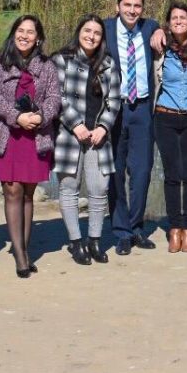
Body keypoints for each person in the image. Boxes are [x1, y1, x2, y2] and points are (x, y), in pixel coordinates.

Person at [0, 15, 59, 278]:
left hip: (35, 135)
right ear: (14, 33)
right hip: (7, 134)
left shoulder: (47, 66)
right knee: (12, 191)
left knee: (28, 192)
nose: (25, 36)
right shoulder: (0, 62)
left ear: (38, 37)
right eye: (21, 30)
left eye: (31, 32)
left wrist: (41, 116)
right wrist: (16, 116)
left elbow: (54, 97)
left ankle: (25, 249)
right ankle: (20, 256)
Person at [54, 14, 122, 266]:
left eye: (96, 32)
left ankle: (94, 240)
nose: (91, 36)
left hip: (98, 136)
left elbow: (114, 99)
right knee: (69, 188)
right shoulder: (62, 60)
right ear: (79, 31)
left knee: (98, 190)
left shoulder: (107, 63)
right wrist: (76, 125)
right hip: (69, 135)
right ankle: (75, 241)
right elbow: (56, 98)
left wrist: (103, 126)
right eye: (87, 31)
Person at [104, 0, 160, 255]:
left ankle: (137, 227)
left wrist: (160, 27)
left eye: (137, 6)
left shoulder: (149, 28)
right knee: (115, 172)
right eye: (127, 5)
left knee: (142, 171)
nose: (132, 10)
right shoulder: (103, 30)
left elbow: (162, 27)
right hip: (114, 110)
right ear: (118, 6)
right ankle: (121, 231)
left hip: (142, 109)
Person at [152, 2, 187, 253]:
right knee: (172, 174)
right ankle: (174, 227)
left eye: (182, 17)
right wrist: (156, 31)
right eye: (173, 17)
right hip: (165, 117)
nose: (178, 21)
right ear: (168, 22)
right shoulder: (160, 49)